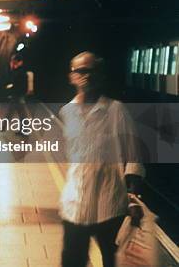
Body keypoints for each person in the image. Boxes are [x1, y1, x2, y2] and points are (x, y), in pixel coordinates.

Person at [59, 52, 145, 267]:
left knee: (112, 261)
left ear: (100, 76)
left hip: (109, 205)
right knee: (71, 260)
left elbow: (133, 156)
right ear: (71, 76)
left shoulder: (116, 111)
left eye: (91, 71)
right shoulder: (66, 112)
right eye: (80, 71)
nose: (85, 76)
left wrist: (133, 196)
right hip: (75, 205)